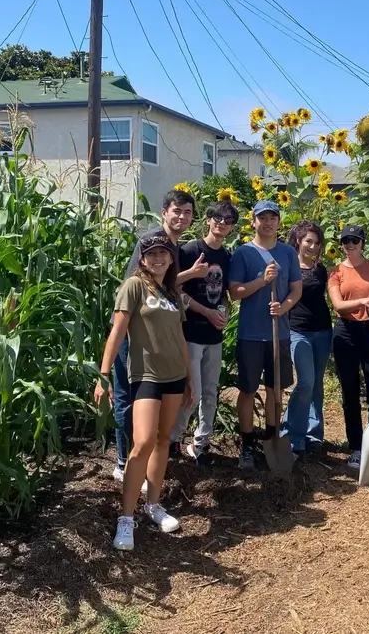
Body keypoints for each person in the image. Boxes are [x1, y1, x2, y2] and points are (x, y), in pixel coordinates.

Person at [95, 234, 193, 552]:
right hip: (146, 376)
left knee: (164, 441)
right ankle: (126, 518)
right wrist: (104, 375)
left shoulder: (172, 293)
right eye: (152, 254)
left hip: (175, 376)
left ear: (170, 257)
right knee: (142, 443)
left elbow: (180, 338)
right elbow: (117, 331)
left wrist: (189, 377)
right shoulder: (134, 286)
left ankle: (153, 505)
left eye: (164, 253)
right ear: (142, 259)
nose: (158, 258)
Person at [112, 189, 196, 491]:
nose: (182, 217)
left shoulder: (176, 246)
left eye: (188, 213)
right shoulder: (152, 240)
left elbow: (166, 287)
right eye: (177, 211)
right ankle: (123, 463)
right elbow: (137, 282)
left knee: (152, 416)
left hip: (159, 337)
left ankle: (147, 470)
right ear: (164, 212)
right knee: (127, 399)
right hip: (133, 332)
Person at [228, 201, 302, 471]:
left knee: (275, 388)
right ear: (254, 222)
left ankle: (272, 435)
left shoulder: (287, 253)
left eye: (273, 218)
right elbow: (234, 293)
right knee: (247, 390)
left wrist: (284, 306)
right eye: (262, 218)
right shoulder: (243, 253)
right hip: (251, 334)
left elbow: (296, 290)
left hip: (278, 334)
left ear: (279, 223)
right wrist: (262, 280)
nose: (268, 222)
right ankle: (248, 442)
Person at [168, 200, 237, 465]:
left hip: (214, 335)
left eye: (227, 221)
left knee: (210, 391)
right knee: (192, 391)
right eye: (216, 218)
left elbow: (225, 294)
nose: (221, 223)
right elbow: (175, 289)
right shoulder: (190, 250)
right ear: (207, 220)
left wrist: (221, 312)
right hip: (191, 334)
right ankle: (175, 440)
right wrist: (205, 312)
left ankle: (202, 442)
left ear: (231, 228)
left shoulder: (227, 256)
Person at [328, 224, 369, 470]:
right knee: (349, 391)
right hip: (346, 332)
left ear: (363, 243)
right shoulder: (336, 272)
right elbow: (339, 306)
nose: (350, 244)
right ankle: (356, 446)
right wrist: (365, 300)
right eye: (345, 241)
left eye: (355, 240)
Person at [282, 220, 332, 454]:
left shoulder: (320, 268)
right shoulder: (288, 267)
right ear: (298, 242)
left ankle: (314, 434)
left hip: (322, 330)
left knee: (317, 384)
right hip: (297, 330)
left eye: (316, 242)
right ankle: (292, 434)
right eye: (308, 241)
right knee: (305, 382)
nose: (312, 246)